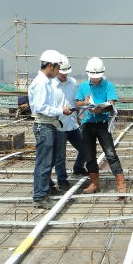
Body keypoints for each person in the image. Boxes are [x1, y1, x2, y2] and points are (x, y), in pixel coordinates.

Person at [75, 57, 126, 199]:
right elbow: (78, 102)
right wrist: (84, 102)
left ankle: (121, 184)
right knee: (90, 156)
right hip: (87, 124)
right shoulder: (83, 86)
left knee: (110, 154)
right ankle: (94, 183)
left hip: (102, 124)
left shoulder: (108, 85)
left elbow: (112, 102)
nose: (96, 79)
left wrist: (101, 110)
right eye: (93, 77)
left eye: (98, 77)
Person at [28, 49, 72, 209]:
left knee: (48, 161)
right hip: (44, 125)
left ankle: (45, 190)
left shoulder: (45, 82)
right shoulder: (41, 83)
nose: (58, 71)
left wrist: (60, 109)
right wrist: (61, 110)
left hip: (49, 125)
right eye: (57, 68)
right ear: (51, 66)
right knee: (44, 163)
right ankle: (40, 196)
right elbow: (40, 107)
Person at [51, 54, 87, 191]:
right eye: (62, 72)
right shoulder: (52, 85)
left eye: (66, 73)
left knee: (84, 148)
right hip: (59, 125)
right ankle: (62, 180)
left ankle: (78, 167)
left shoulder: (73, 83)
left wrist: (78, 115)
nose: (64, 75)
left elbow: (75, 102)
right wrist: (61, 110)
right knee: (60, 155)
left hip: (72, 124)